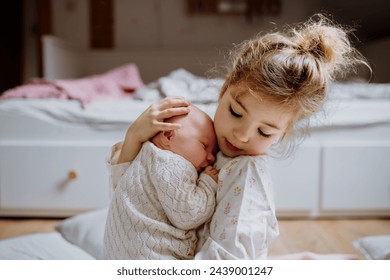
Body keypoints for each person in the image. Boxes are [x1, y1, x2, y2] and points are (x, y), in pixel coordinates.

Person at [106, 14, 369, 259]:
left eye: (264, 131)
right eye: (235, 112)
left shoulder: (246, 175)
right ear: (223, 91)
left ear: (283, 133)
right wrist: (134, 138)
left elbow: (232, 259)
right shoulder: (198, 138)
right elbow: (129, 199)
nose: (242, 135)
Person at [103, 104, 219, 260]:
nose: (211, 158)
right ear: (169, 136)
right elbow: (189, 215)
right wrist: (207, 184)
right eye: (204, 145)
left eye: (213, 152)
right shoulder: (173, 163)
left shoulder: (143, 157)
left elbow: (118, 178)